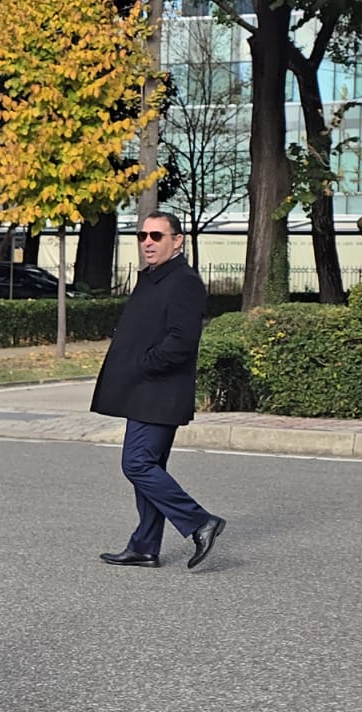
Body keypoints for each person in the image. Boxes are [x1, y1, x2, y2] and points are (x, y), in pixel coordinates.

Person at [90, 211, 225, 570]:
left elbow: (182, 341)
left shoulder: (183, 281)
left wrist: (142, 364)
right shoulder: (152, 278)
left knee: (136, 463)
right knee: (149, 465)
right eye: (142, 236)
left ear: (177, 240)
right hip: (145, 391)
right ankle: (145, 546)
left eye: (156, 236)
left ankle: (200, 523)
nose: (147, 242)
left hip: (160, 391)